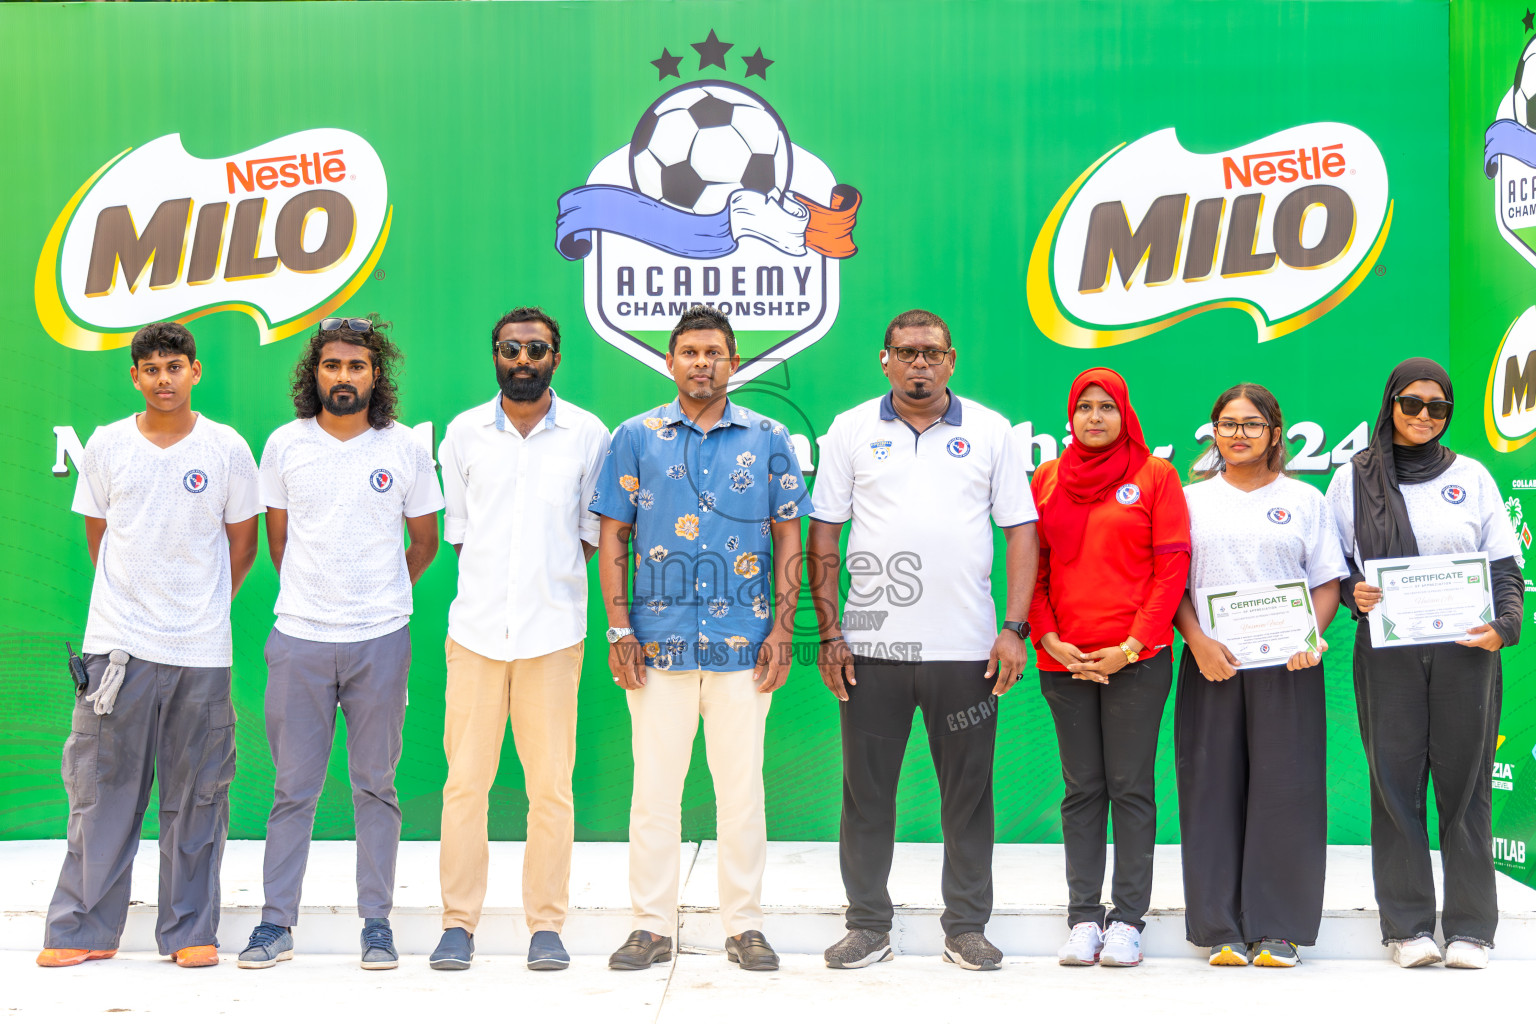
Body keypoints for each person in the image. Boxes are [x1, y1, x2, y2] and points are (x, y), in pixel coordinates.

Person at [808, 309, 1039, 972]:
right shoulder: (851, 430)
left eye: (932, 353)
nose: (920, 363)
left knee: (967, 793)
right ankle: (867, 925)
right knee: (867, 793)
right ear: (885, 359)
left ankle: (966, 925)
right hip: (874, 649)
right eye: (907, 352)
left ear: (951, 359)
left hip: (967, 652)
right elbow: (825, 533)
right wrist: (830, 633)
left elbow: (1021, 530)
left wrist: (1014, 629)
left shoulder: (992, 432)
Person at [591, 304, 810, 972]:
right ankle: (650, 926)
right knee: (654, 792)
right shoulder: (636, 436)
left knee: (741, 794)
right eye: (689, 352)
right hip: (657, 644)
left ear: (735, 361)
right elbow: (612, 538)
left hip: (743, 644)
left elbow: (788, 537)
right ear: (670, 361)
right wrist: (620, 627)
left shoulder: (770, 438)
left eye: (714, 352)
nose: (702, 363)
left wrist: (781, 627)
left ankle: (744, 926)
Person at [37, 322, 261, 970]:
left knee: (199, 794)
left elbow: (241, 545)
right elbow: (100, 536)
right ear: (135, 376)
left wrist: (200, 609)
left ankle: (190, 931)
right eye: (152, 368)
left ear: (196, 372)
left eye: (175, 366)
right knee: (100, 791)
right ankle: (81, 929)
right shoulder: (107, 445)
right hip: (117, 651)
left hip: (200, 651)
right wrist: (128, 612)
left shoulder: (225, 449)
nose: (164, 378)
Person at [239, 316, 442, 971]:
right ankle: (275, 924)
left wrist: (378, 594)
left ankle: (376, 923)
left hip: (379, 641)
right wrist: (320, 594)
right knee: (292, 789)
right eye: (333, 365)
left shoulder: (405, 447)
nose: (344, 376)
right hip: (298, 640)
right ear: (315, 373)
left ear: (375, 374)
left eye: (357, 366)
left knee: (375, 787)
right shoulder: (284, 445)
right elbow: (280, 543)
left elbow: (425, 542)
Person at [1326, 357, 1522, 970]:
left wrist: (1504, 627)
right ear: (1390, 405)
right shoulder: (1353, 479)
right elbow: (1339, 567)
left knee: (1466, 786)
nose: (1423, 417)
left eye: (1437, 407)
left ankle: (1471, 929)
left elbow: (1504, 567)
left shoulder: (1473, 476)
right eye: (1411, 404)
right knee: (1394, 784)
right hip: (1388, 653)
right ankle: (1408, 927)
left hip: (1468, 651)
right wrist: (1357, 592)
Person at [430, 307, 609, 972]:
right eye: (511, 349)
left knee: (551, 790)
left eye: (537, 349)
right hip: (475, 636)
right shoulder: (463, 434)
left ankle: (546, 926)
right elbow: (461, 537)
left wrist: (542, 593)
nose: (524, 360)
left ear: (556, 358)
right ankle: (457, 924)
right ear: (496, 356)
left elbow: (589, 539)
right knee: (463, 787)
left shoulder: (589, 435)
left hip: (553, 637)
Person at [1171, 384, 1347, 968]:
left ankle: (1279, 928)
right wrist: (1197, 643)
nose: (1238, 433)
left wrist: (1310, 639)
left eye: (1251, 423)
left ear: (1276, 431)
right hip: (1212, 664)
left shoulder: (1306, 499)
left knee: (1286, 792)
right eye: (1227, 423)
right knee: (1211, 790)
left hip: (1288, 666)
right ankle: (1219, 926)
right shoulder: (1190, 500)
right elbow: (1170, 586)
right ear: (1213, 432)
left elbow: (1327, 581)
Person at [1031, 368, 1190, 969]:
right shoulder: (1046, 479)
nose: (1094, 418)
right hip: (1063, 660)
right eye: (1084, 408)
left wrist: (1128, 648)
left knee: (1130, 788)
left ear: (1126, 415)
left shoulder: (1155, 476)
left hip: (1137, 661)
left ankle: (1126, 920)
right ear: (1070, 417)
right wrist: (1049, 637)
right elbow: (1035, 569)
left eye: (1107, 407)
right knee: (1081, 790)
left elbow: (1170, 570)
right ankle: (1082, 919)